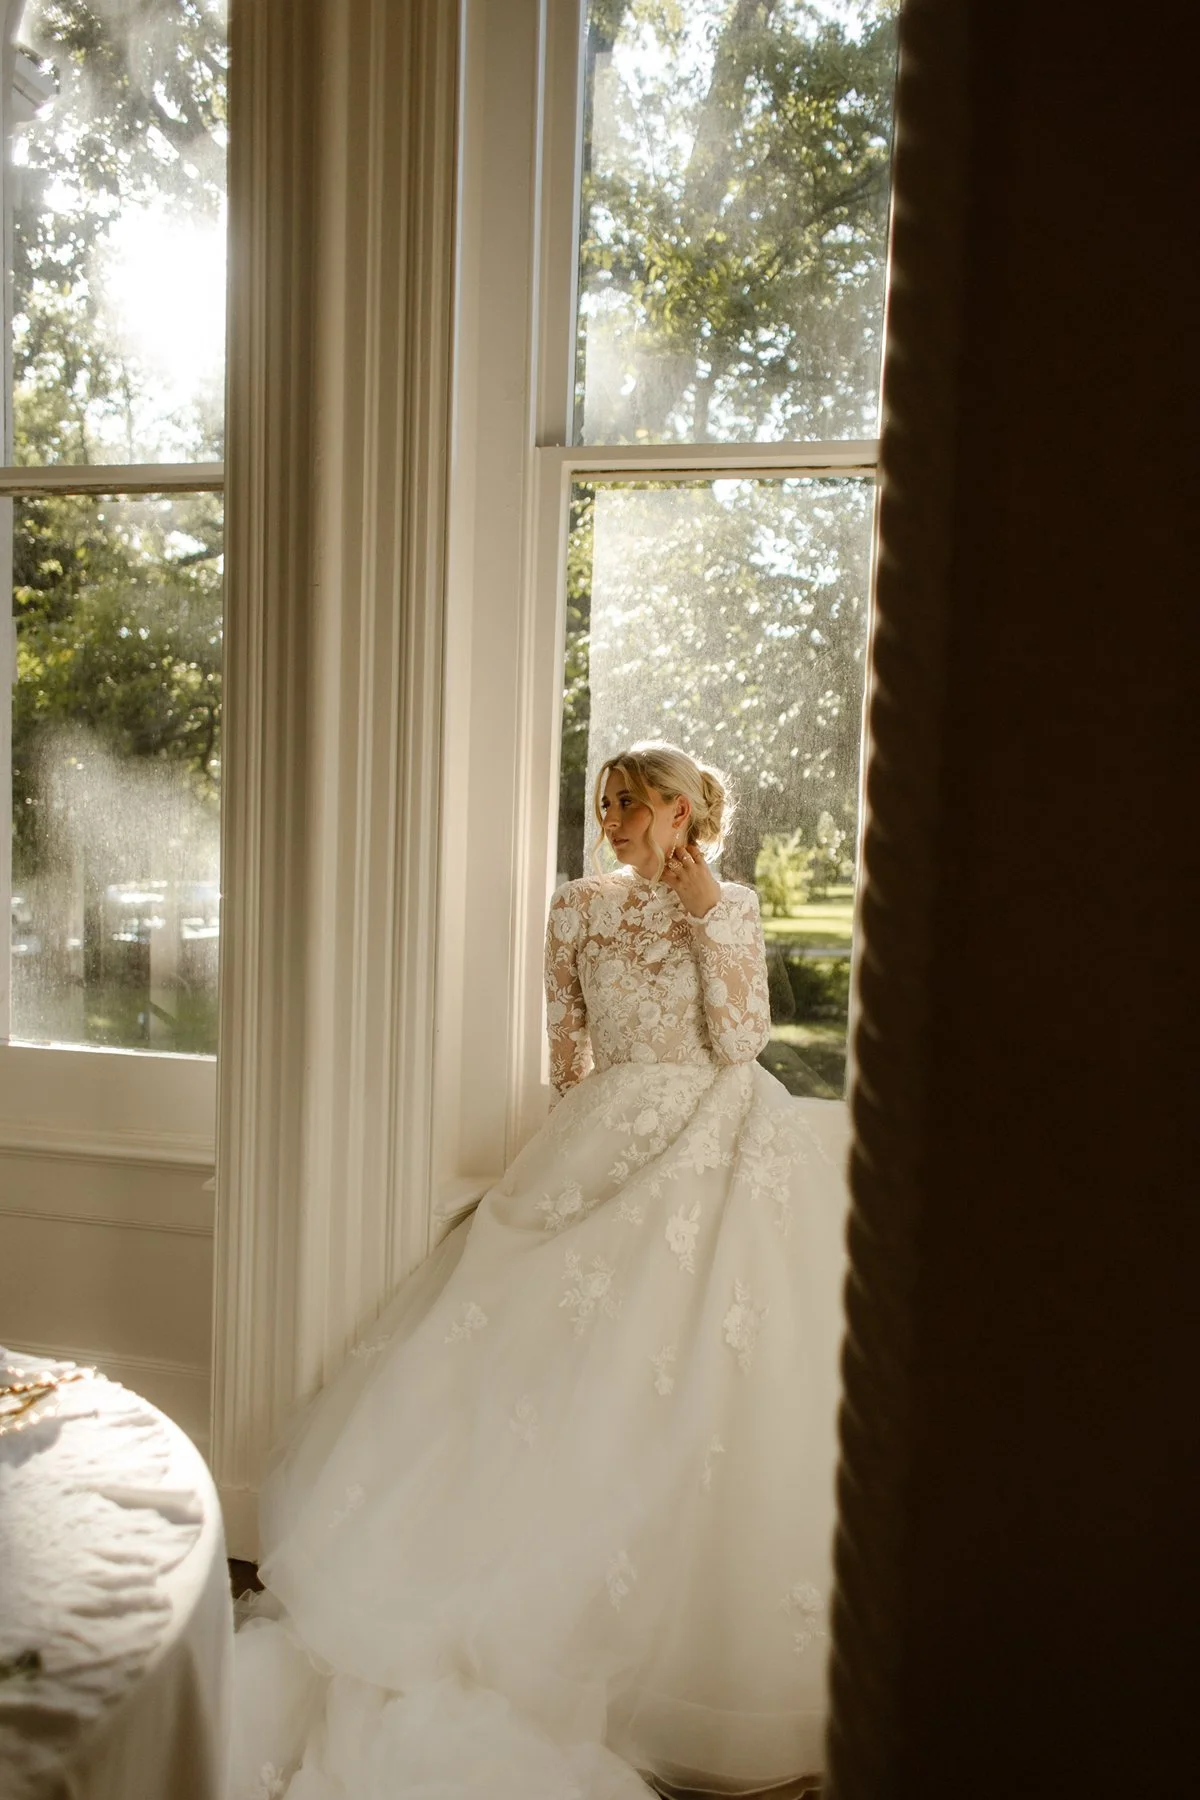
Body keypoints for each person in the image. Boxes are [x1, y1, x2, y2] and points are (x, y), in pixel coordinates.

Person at [230, 742, 851, 1800]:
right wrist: (585, 1130)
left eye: (633, 801)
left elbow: (743, 1040)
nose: (611, 814)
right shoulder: (575, 906)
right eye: (606, 800)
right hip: (603, 1127)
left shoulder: (727, 903)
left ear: (683, 813)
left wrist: (705, 909)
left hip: (716, 1127)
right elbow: (564, 1046)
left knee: (709, 1360)